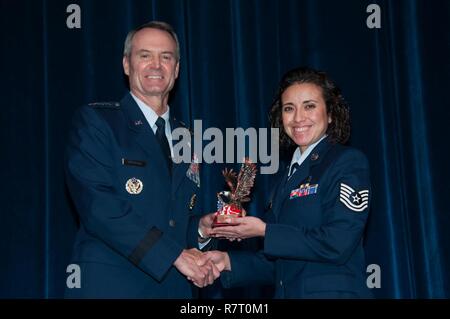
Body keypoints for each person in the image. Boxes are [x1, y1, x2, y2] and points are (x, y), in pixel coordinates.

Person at [64, 21, 218, 298]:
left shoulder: (189, 137)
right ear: (126, 64)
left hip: (174, 289)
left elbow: (172, 219)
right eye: (145, 55)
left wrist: (201, 229)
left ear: (177, 69)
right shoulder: (97, 122)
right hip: (112, 286)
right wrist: (174, 256)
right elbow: (99, 208)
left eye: (166, 57)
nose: (156, 65)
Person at [202, 67, 372, 298]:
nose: (298, 118)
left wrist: (264, 231)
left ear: (330, 113)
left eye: (309, 106)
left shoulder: (346, 162)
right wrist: (227, 261)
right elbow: (280, 265)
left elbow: (338, 243)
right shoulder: (284, 178)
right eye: (289, 109)